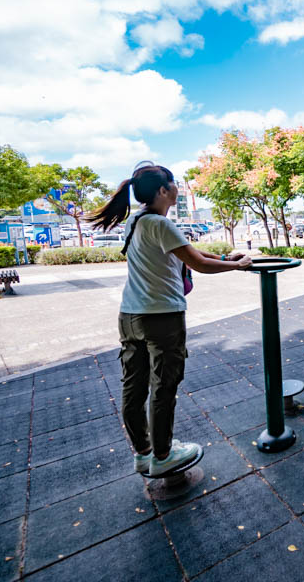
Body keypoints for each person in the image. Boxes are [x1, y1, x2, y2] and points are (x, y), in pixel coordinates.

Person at [85, 163, 252, 476]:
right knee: (164, 386)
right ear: (163, 191)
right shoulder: (161, 225)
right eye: (174, 183)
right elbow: (197, 263)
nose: (177, 187)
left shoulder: (135, 221)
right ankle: (163, 455)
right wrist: (237, 266)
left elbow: (189, 252)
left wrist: (223, 257)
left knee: (133, 389)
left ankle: (143, 453)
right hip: (161, 317)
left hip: (130, 316)